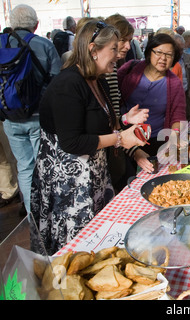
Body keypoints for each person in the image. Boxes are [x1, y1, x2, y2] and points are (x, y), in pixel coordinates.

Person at [30, 20, 148, 255]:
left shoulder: (97, 79)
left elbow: (94, 121)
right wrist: (118, 139)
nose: (119, 54)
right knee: (75, 252)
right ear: (93, 50)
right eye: (114, 48)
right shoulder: (68, 84)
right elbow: (71, 142)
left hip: (92, 176)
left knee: (96, 244)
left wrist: (124, 120)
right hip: (69, 185)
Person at [2, 4, 62, 214]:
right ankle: (47, 214)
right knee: (43, 167)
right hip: (39, 119)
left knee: (25, 168)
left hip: (9, 118)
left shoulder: (1, 44)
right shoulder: (44, 45)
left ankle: (32, 217)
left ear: (11, 23)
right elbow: (57, 83)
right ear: (36, 25)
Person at [117, 33, 186, 174]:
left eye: (169, 55)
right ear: (149, 52)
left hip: (155, 141)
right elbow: (112, 95)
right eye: (159, 52)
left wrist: (175, 134)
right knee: (123, 176)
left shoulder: (174, 83)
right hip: (124, 136)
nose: (163, 58)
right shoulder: (131, 69)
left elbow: (178, 115)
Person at [104, 13, 150, 192]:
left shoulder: (112, 67)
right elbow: (106, 125)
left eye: (129, 40)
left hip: (114, 148)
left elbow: (112, 120)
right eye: (123, 40)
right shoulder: (104, 71)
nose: (126, 46)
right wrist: (133, 150)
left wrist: (124, 119)